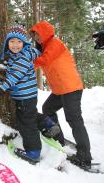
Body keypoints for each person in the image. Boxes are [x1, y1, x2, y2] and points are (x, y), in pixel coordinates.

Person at [29, 20, 93, 168]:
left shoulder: (54, 44)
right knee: (48, 109)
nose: (36, 37)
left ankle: (85, 157)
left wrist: (25, 67)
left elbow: (43, 61)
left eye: (38, 34)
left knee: (74, 119)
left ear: (45, 33)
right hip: (60, 89)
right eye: (34, 35)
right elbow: (40, 61)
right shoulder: (44, 47)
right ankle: (59, 139)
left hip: (71, 88)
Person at [0, 26, 50, 164]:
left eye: (19, 42)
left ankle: (33, 152)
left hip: (25, 97)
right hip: (27, 96)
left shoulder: (22, 58)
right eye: (12, 41)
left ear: (24, 43)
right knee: (29, 117)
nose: (15, 45)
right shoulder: (21, 55)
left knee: (26, 124)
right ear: (7, 43)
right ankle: (47, 122)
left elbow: (13, 78)